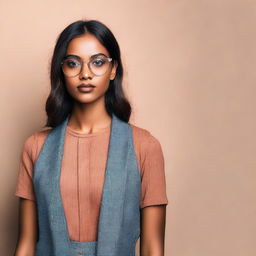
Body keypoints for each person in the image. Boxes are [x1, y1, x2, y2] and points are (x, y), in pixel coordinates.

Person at [14, 19, 169, 256]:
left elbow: (152, 248)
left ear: (113, 69)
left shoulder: (145, 147)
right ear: (61, 70)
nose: (85, 74)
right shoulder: (35, 147)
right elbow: (26, 244)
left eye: (97, 62)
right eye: (73, 63)